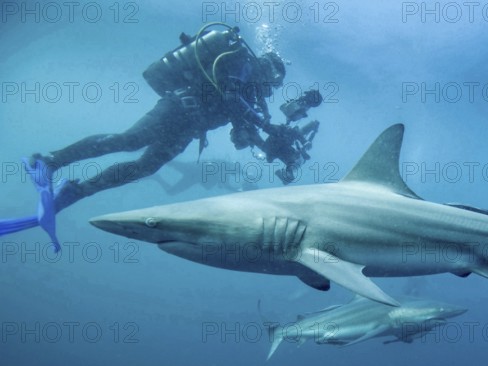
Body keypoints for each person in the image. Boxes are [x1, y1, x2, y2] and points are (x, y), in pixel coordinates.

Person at [0, 22, 321, 250]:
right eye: (274, 83)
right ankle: (49, 161)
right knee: (128, 140)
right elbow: (230, 98)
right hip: (178, 107)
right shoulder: (242, 63)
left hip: (189, 127)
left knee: (145, 167)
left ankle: (77, 190)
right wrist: (268, 127)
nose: (271, 91)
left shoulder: (251, 93)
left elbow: (243, 130)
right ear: (270, 70)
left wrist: (274, 147)